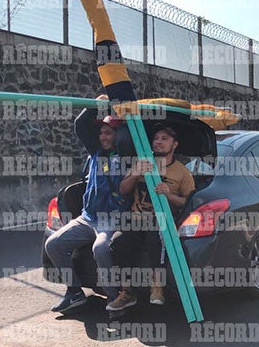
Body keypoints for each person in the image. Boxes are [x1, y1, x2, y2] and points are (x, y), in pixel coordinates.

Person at [44, 96, 131, 313]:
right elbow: (81, 126)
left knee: (100, 249)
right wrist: (95, 106)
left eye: (108, 132)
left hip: (112, 220)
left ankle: (114, 299)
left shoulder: (126, 156)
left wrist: (123, 113)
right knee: (53, 244)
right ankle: (74, 293)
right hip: (88, 217)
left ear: (118, 135)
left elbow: (128, 138)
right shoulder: (96, 153)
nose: (103, 136)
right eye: (101, 132)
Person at [106, 123, 195, 311]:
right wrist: (135, 174)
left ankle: (157, 287)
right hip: (136, 219)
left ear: (175, 145)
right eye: (156, 138)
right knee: (117, 242)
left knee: (156, 237)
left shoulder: (182, 171)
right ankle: (127, 292)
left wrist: (169, 195)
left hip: (161, 221)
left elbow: (188, 202)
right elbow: (122, 190)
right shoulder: (142, 162)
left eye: (165, 139)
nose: (159, 142)